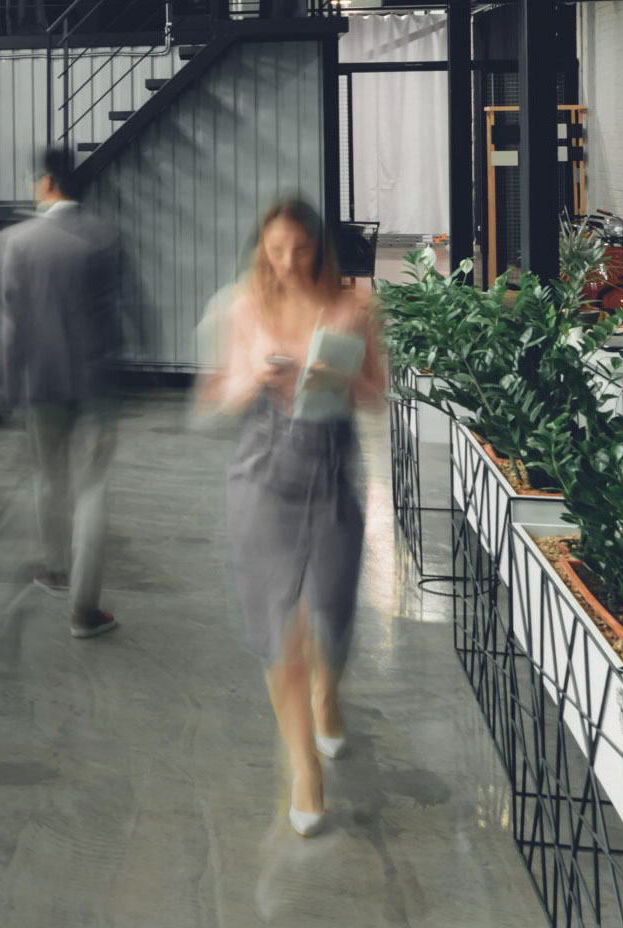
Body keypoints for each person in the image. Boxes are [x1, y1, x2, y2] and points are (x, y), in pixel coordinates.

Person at [198, 196, 386, 839]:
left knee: (329, 613)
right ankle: (303, 764)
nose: (286, 261)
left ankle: (327, 695)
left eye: (299, 249)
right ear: (262, 248)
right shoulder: (243, 305)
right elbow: (214, 396)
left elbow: (377, 393)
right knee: (282, 627)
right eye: (275, 249)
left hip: (331, 469)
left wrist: (336, 374)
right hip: (262, 470)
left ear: (319, 248)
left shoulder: (353, 307)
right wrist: (254, 377)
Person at [0, 148, 126, 640]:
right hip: (94, 384)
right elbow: (117, 313)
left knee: (48, 480)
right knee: (92, 491)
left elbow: (12, 326)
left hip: (41, 384)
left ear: (48, 182)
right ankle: (84, 611)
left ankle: (54, 569)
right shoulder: (104, 235)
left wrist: (11, 386)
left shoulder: (17, 241)